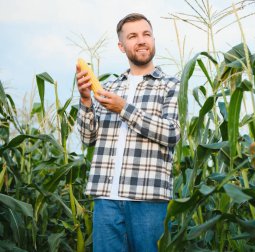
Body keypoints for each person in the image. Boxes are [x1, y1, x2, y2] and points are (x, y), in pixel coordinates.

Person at [76, 13, 180, 252]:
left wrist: (123, 108)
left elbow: (172, 132)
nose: (141, 40)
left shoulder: (171, 85)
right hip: (105, 199)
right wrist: (86, 100)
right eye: (133, 36)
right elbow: (87, 138)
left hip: (148, 198)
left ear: (153, 39)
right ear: (122, 46)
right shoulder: (109, 87)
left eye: (146, 34)